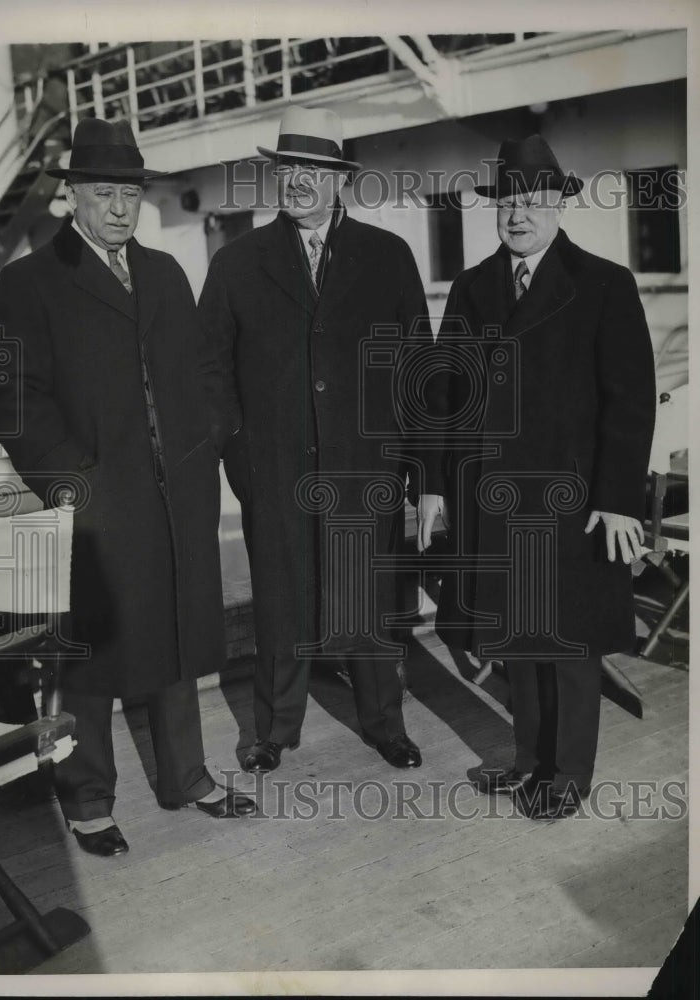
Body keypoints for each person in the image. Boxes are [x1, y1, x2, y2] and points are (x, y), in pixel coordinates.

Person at [0, 118, 254, 857]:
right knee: (88, 659)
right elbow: (10, 396)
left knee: (172, 638)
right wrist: (73, 480)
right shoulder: (29, 280)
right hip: (94, 500)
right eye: (102, 193)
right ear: (72, 197)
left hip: (176, 495)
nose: (118, 208)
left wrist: (206, 445)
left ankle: (186, 777)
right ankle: (88, 798)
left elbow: (204, 371)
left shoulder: (165, 272)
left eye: (129, 194)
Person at [417, 135, 655, 820]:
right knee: (519, 640)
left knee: (569, 642)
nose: (518, 215)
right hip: (492, 499)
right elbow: (442, 396)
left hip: (574, 501)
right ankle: (527, 761)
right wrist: (433, 484)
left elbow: (629, 401)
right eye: (507, 202)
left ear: (557, 204)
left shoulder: (604, 284)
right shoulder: (471, 287)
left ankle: (568, 775)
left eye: (532, 201)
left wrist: (617, 502)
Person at [198, 106, 426, 773]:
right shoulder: (237, 262)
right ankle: (274, 729)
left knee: (369, 603)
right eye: (289, 167)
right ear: (276, 176)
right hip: (273, 470)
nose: (299, 181)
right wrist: (240, 453)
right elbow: (209, 367)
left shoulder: (387, 256)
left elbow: (417, 367)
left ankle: (385, 723)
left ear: (338, 180)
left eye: (314, 169)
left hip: (365, 467)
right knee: (280, 603)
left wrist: (412, 467)